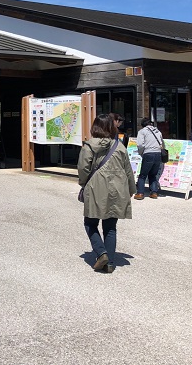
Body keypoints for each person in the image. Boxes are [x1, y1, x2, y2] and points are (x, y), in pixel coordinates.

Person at [78, 114, 136, 273]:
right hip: (117, 189)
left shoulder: (89, 146)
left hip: (95, 188)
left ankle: (101, 252)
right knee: (110, 226)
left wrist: (83, 183)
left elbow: (83, 169)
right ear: (111, 127)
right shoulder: (119, 146)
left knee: (90, 223)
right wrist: (131, 189)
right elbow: (128, 170)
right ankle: (109, 262)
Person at [134, 118, 164, 200]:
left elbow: (140, 145)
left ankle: (140, 193)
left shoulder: (142, 131)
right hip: (158, 154)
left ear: (142, 125)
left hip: (148, 153)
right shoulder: (158, 131)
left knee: (143, 175)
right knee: (153, 174)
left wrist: (141, 153)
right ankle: (154, 192)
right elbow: (161, 143)